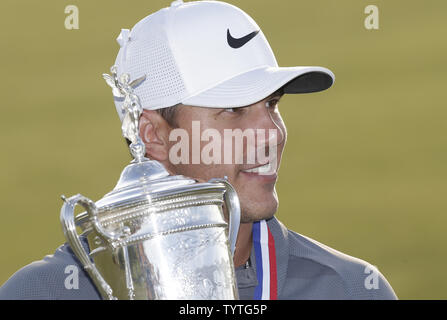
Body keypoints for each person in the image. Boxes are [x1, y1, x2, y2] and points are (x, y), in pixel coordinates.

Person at [0, 0, 397, 300]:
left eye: (272, 104)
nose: (272, 133)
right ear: (152, 134)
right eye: (234, 109)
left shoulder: (353, 289)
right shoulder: (43, 293)